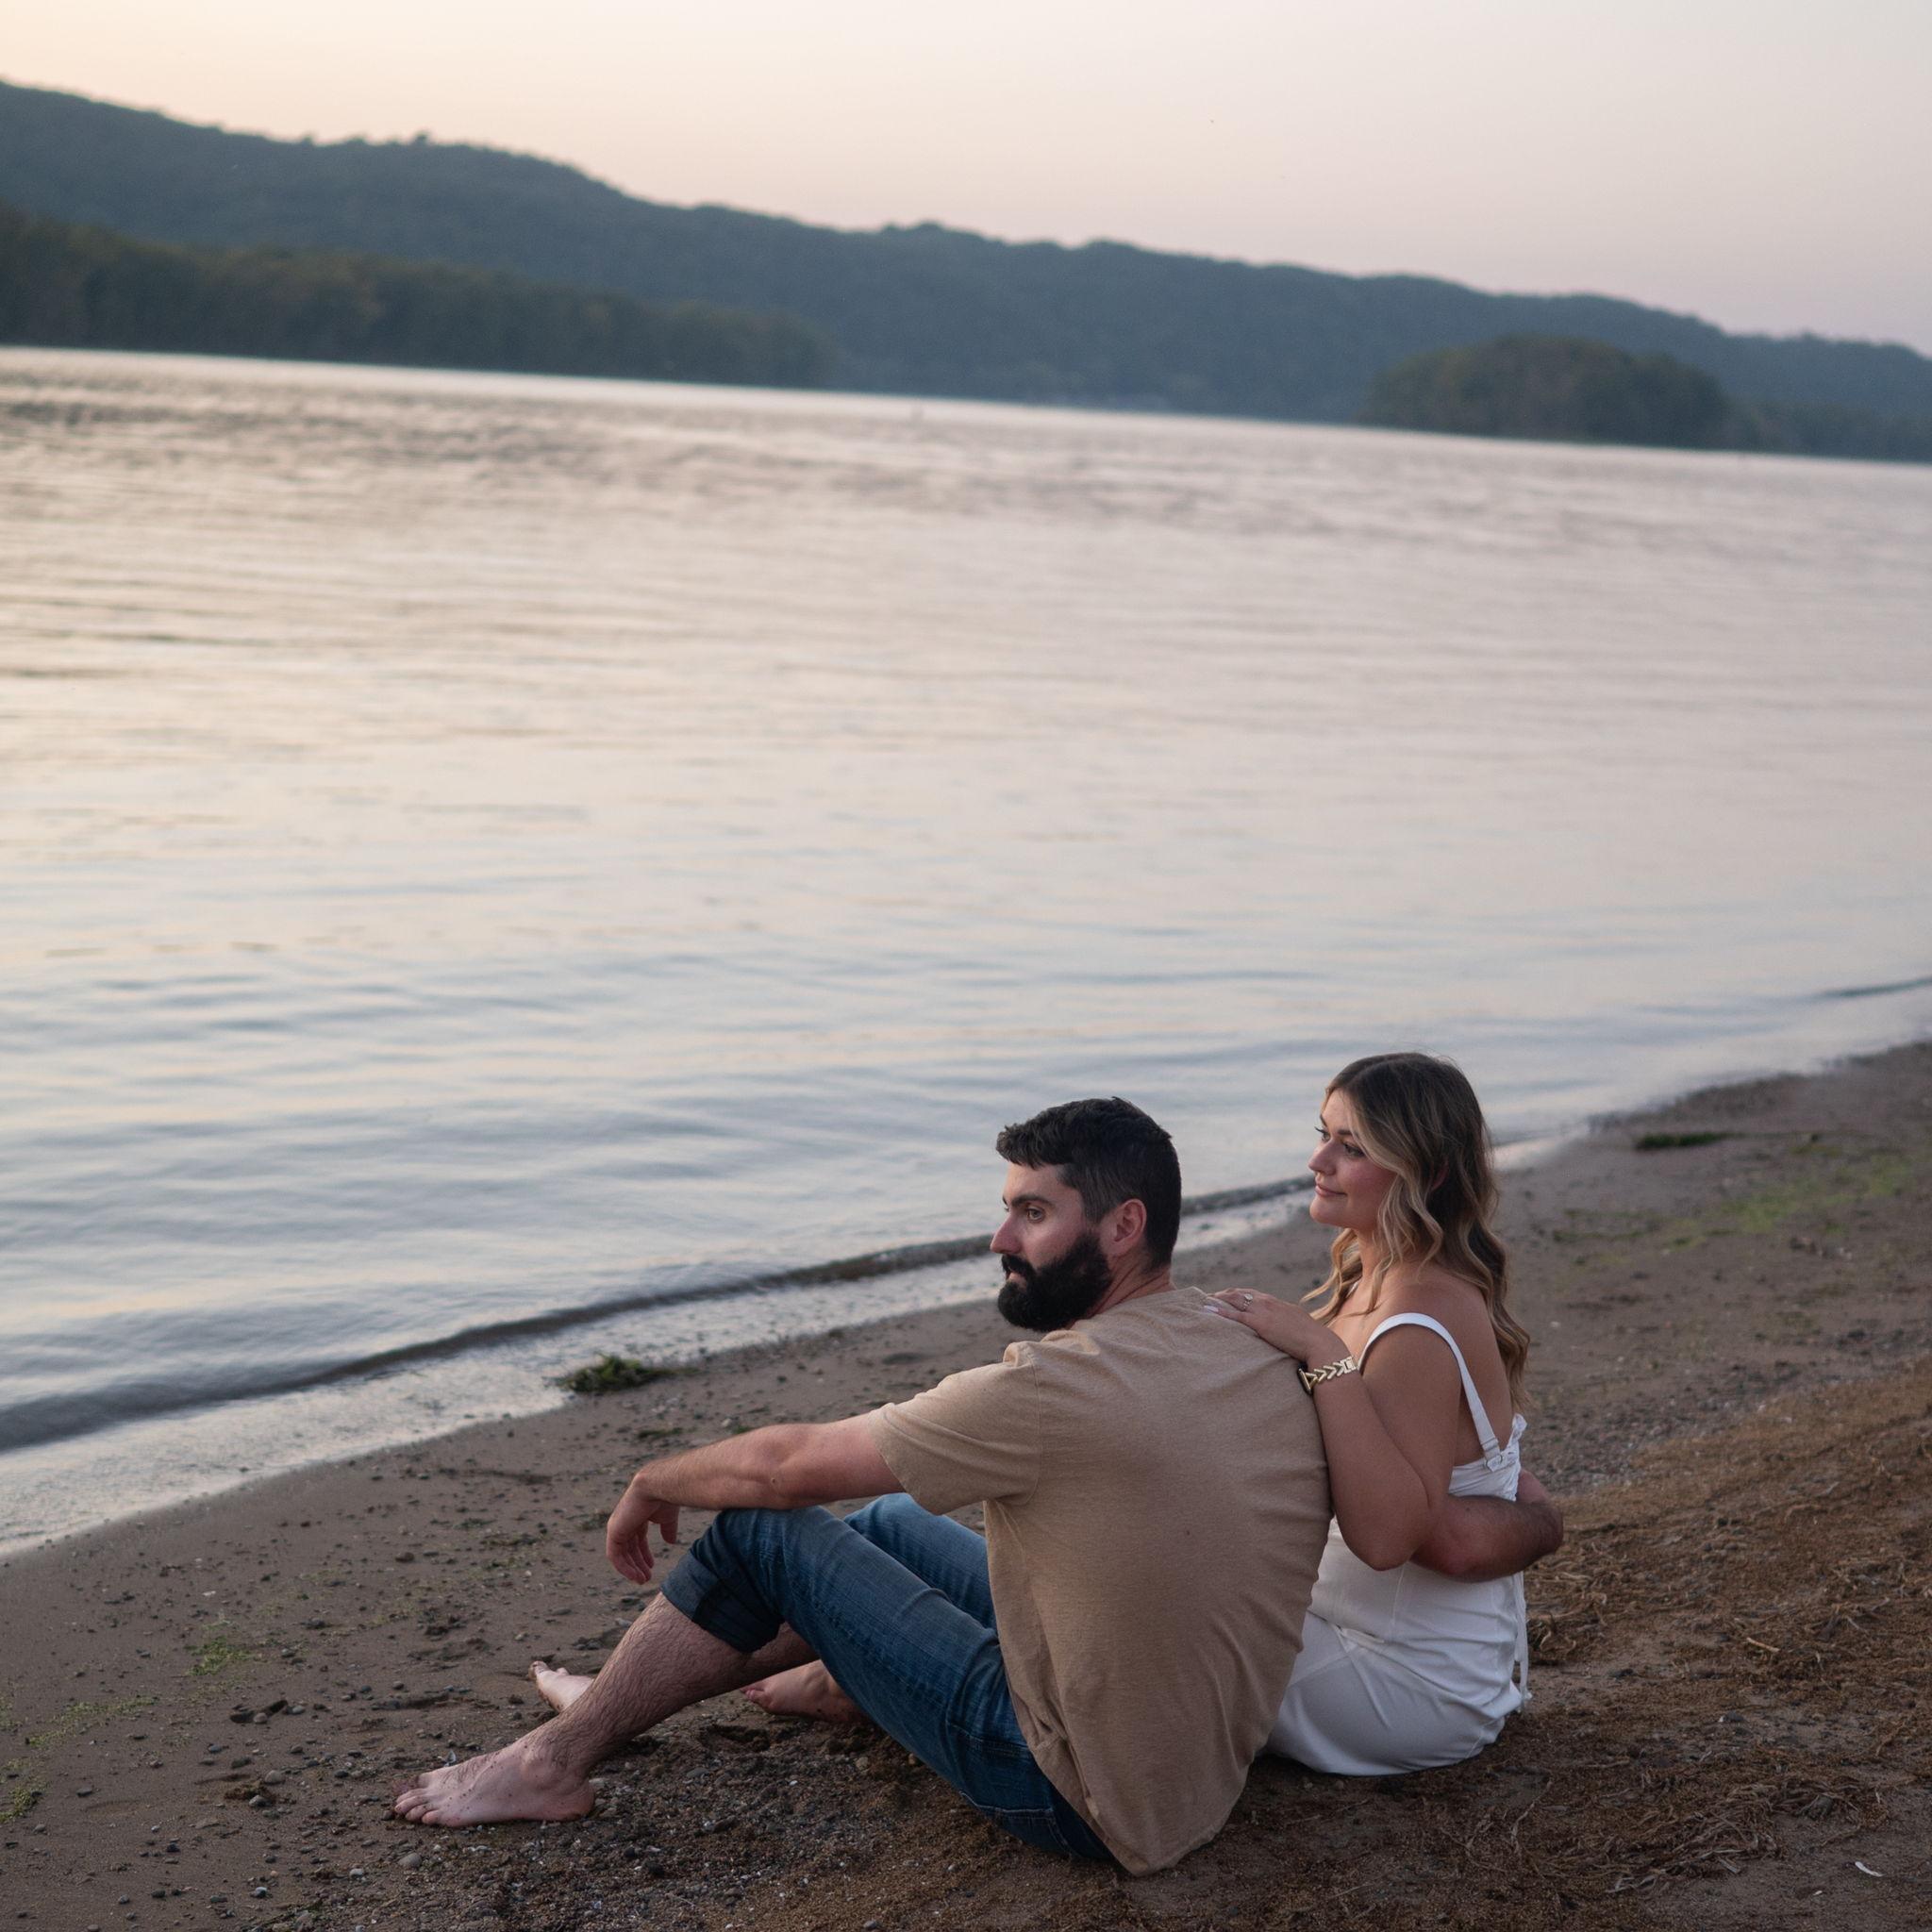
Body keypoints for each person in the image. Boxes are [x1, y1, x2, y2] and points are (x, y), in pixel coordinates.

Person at [396, 1097, 1338, 1874]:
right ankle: (669, 1688)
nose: (999, 1236)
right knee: (887, 1520)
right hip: (1196, 1775)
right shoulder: (1246, 1336)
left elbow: (785, 1468)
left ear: (1123, 1225)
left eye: (1033, 1213)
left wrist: (652, 1478)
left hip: (1078, 1795)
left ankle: (550, 1760)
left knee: (764, 1533)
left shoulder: (1055, 1389)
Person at [1205, 1052, 1562, 1774]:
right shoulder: (1378, 1284)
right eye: (1324, 1135)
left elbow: (1387, 1536)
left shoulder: (1414, 1323)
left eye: (1353, 1147)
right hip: (1355, 1633)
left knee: (1151, 1626)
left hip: (1404, 1682)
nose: (1319, 1161)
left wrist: (1319, 1351)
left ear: (1427, 1172)